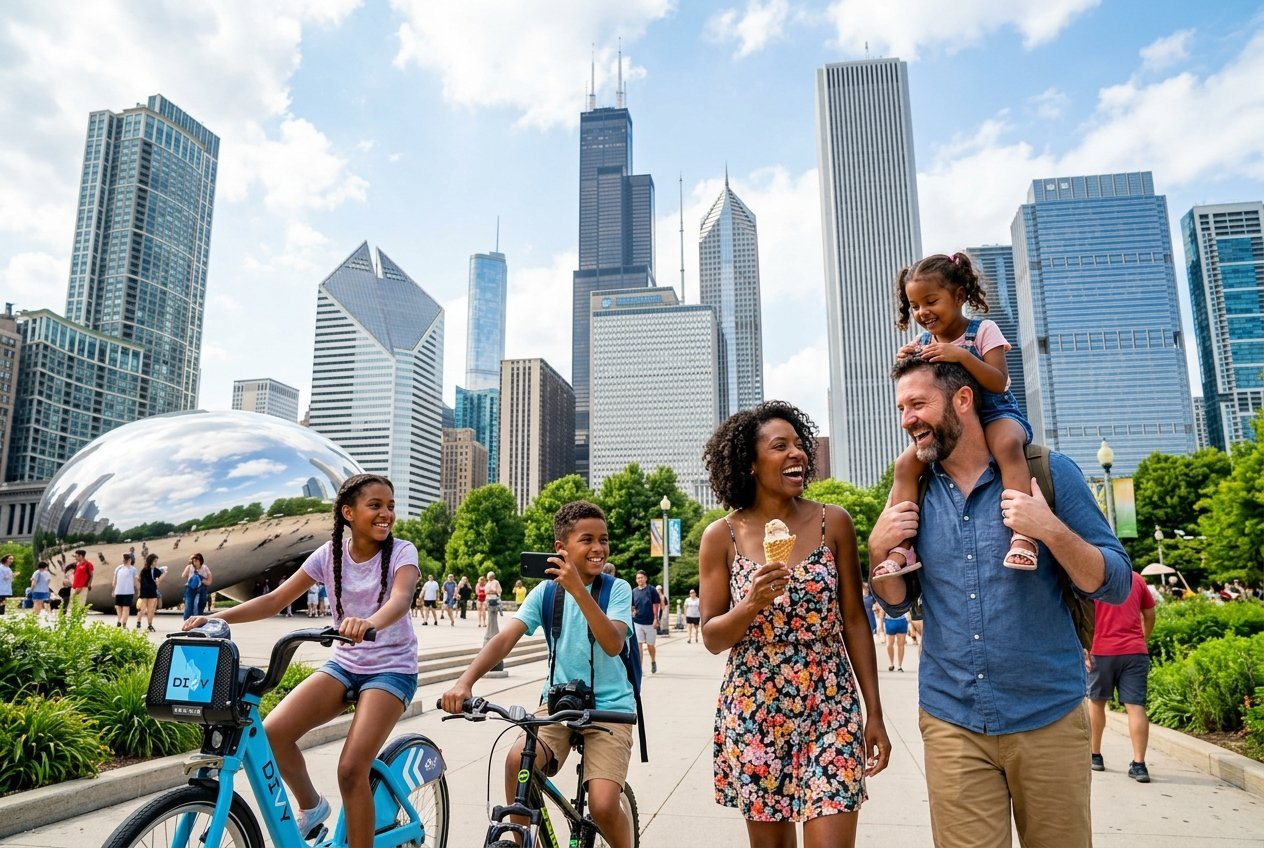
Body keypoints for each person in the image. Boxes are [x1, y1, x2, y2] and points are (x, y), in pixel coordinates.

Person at [869, 357, 1132, 847]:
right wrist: (877, 550)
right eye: (902, 408)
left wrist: (1049, 529)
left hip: (1047, 716)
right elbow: (899, 604)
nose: (907, 419)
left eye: (919, 404)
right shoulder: (914, 492)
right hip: (953, 721)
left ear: (963, 400)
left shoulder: (1047, 473)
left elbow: (1116, 582)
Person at [183, 473, 420, 848]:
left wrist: (369, 622)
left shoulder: (402, 552)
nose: (385, 514)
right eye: (375, 505)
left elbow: (401, 599)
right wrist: (218, 617)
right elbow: (274, 600)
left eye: (390, 506)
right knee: (273, 734)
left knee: (351, 769)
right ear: (348, 512)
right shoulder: (328, 555)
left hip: (391, 670)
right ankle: (312, 808)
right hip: (344, 665)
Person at [699, 400, 889, 847]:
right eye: (779, 446)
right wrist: (750, 604)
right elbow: (711, 636)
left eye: (799, 445)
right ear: (750, 463)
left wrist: (874, 711)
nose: (797, 454)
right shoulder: (720, 536)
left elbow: (856, 621)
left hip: (830, 703)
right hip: (755, 708)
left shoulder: (833, 522)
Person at [441, 501, 636, 848]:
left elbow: (613, 643)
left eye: (603, 539)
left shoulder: (616, 590)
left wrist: (579, 589)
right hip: (559, 703)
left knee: (603, 805)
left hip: (611, 709)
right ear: (561, 549)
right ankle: (518, 840)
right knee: (518, 758)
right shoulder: (546, 592)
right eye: (587, 539)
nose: (598, 548)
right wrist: (464, 682)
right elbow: (503, 639)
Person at [874, 252, 1037, 582]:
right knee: (905, 465)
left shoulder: (983, 331)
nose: (923, 312)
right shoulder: (924, 342)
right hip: (952, 424)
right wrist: (908, 359)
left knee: (1006, 445)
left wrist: (961, 356)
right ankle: (903, 547)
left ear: (959, 295)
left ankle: (1023, 535)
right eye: (915, 305)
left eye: (931, 301)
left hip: (995, 411)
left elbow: (998, 381)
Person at [1088, 568, 1157, 783]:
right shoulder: (1135, 579)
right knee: (1136, 706)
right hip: (1134, 651)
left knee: (1096, 703)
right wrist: (1142, 639)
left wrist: (1085, 647)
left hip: (1100, 650)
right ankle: (1139, 765)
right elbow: (1150, 614)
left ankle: (1095, 755)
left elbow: (1084, 616)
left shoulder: (1091, 577)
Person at [630, 571, 660, 673]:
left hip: (650, 622)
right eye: (638, 578)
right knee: (638, 645)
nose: (640, 580)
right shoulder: (634, 591)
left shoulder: (651, 590)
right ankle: (639, 668)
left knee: (650, 645)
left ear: (645, 578)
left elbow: (656, 605)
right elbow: (633, 605)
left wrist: (656, 619)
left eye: (641, 577)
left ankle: (653, 661)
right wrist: (633, 611)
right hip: (637, 622)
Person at [137, 554, 163, 632]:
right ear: (150, 561)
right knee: (143, 608)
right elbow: (141, 580)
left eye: (156, 561)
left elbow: (160, 576)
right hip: (145, 591)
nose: (155, 563)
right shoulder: (145, 570)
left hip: (152, 591)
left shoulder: (156, 570)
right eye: (154, 561)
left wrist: (158, 581)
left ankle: (150, 624)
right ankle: (139, 620)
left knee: (151, 609)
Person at [112, 553, 138, 628]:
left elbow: (136, 580)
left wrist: (139, 589)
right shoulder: (118, 568)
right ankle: (119, 619)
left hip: (128, 591)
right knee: (118, 606)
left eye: (126, 559)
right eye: (124, 559)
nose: (124, 560)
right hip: (119, 591)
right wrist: (113, 590)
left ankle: (124, 622)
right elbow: (115, 579)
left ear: (130, 560)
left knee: (126, 607)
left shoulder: (133, 569)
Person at [181, 554, 207, 620]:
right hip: (191, 588)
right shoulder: (189, 567)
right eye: (193, 560)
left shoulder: (203, 568)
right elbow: (183, 575)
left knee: (195, 604)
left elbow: (207, 578)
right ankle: (190, 620)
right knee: (190, 605)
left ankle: (196, 620)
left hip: (198, 588)